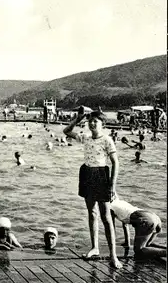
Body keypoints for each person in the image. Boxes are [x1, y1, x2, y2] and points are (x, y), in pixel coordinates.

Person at [63, 108, 122, 269]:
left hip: (101, 174)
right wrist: (78, 118)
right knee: (92, 213)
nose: (92, 123)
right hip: (87, 173)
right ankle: (94, 247)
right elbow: (66, 131)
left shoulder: (107, 140)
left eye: (95, 121)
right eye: (90, 121)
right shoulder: (86, 137)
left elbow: (116, 163)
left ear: (103, 123)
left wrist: (112, 185)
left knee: (106, 217)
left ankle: (113, 255)